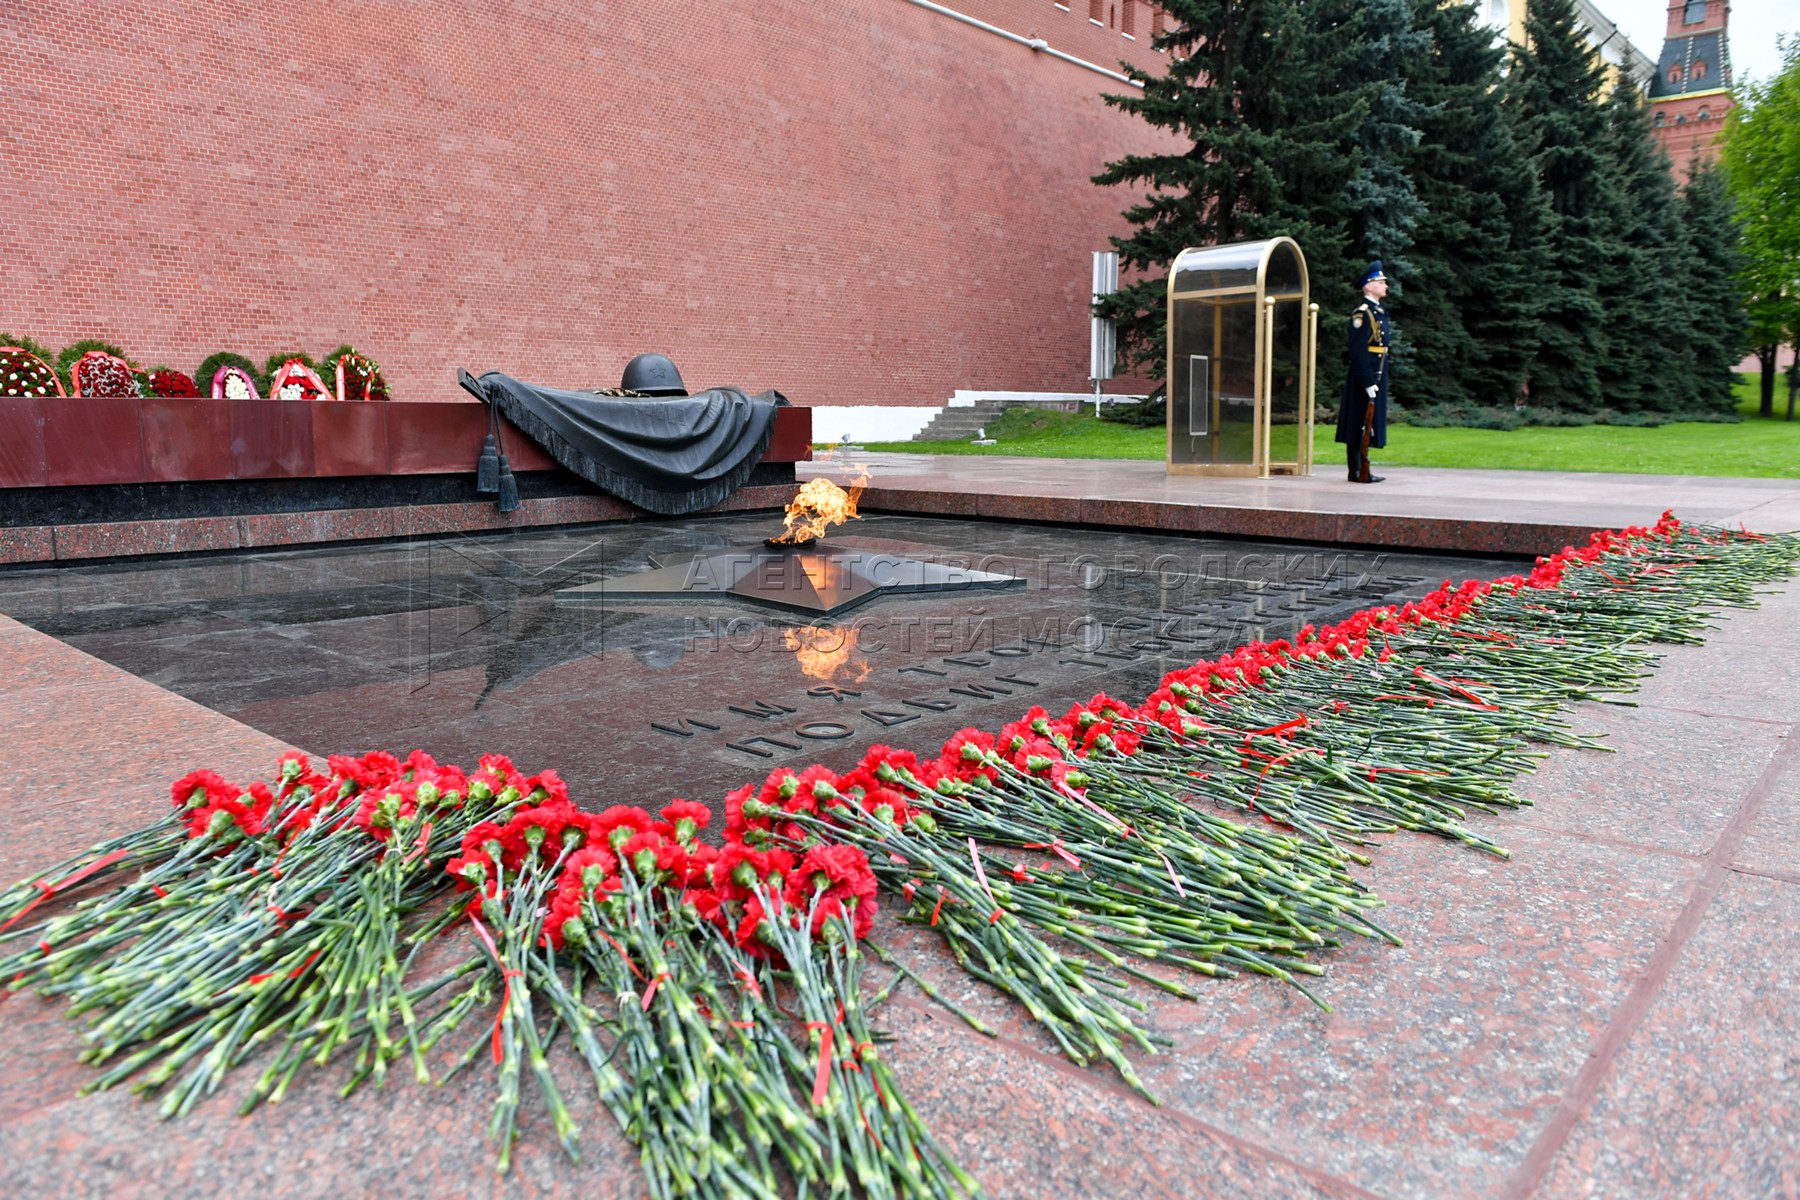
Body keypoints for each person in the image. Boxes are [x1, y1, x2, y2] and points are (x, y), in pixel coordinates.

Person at [1335, 261, 1391, 484]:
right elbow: (1358, 352)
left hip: (1376, 373)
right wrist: (1367, 381)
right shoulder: (1362, 314)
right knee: (1357, 420)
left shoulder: (1379, 312)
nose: (1385, 285)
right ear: (1369, 286)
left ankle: (1363, 466)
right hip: (1364, 375)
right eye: (1380, 282)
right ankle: (1356, 470)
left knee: (1367, 423)